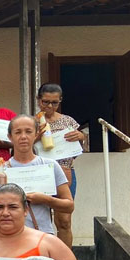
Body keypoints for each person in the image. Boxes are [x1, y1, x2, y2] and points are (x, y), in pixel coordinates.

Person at [0, 115, 74, 237]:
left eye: (28, 131)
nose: (23, 137)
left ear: (36, 134)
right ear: (10, 137)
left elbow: (69, 206)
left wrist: (45, 199)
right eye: (18, 132)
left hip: (41, 235)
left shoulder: (50, 165)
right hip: (8, 237)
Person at [37, 84, 86, 248]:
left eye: (54, 102)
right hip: (38, 173)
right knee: (39, 219)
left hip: (65, 173)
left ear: (60, 102)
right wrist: (36, 136)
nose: (49, 106)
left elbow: (81, 149)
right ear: (38, 100)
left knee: (64, 220)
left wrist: (81, 136)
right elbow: (18, 146)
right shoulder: (30, 122)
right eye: (45, 102)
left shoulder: (68, 121)